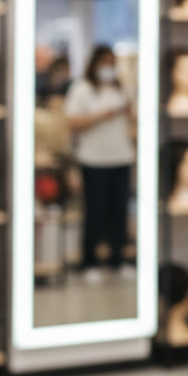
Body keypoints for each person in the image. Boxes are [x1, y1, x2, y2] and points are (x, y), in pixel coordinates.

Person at [63, 46, 135, 283]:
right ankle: (89, 262)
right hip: (93, 160)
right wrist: (101, 116)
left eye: (111, 63)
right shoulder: (82, 89)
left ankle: (118, 260)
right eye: (104, 63)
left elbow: (135, 120)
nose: (108, 68)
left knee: (119, 212)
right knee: (94, 213)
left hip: (121, 158)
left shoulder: (121, 89)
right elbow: (72, 122)